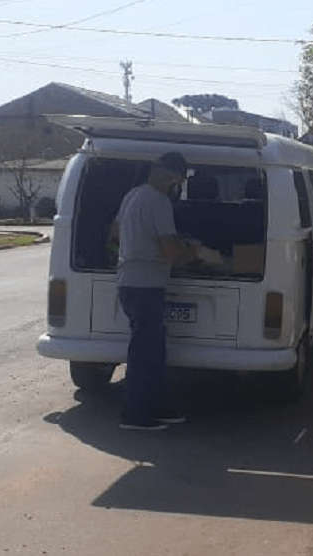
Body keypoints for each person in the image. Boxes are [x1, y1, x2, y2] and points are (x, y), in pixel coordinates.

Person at [112, 152, 199, 430]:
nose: (178, 187)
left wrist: (135, 246)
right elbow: (170, 249)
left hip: (129, 281)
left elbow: (114, 232)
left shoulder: (133, 195)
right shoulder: (159, 202)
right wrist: (192, 252)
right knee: (144, 352)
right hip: (146, 285)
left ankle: (157, 408)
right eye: (180, 181)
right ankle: (136, 416)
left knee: (153, 349)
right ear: (172, 177)